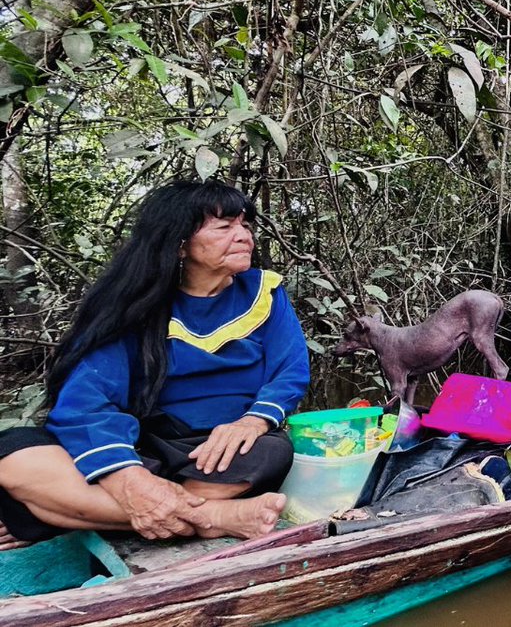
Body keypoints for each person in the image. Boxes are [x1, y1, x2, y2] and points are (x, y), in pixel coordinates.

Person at [0, 181, 309, 550]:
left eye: (245, 225)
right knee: (13, 456)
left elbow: (289, 370)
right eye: (225, 227)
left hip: (218, 454)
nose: (243, 236)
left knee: (271, 452)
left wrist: (253, 420)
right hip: (142, 447)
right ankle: (210, 517)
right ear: (180, 244)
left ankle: (79, 512)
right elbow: (86, 403)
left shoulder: (264, 293)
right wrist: (128, 479)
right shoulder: (136, 306)